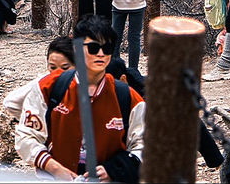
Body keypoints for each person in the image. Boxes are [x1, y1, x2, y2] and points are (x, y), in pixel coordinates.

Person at [15, 14, 144, 181]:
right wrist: (53, 167)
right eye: (93, 48)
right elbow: (25, 135)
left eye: (107, 49)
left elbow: (144, 146)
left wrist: (114, 170)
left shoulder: (127, 97)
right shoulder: (50, 87)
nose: (100, 54)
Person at [2, 37, 75, 119]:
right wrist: (41, 121)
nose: (57, 74)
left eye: (65, 68)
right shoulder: (43, 84)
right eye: (53, 67)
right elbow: (10, 103)